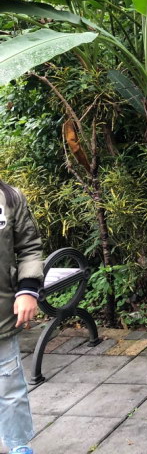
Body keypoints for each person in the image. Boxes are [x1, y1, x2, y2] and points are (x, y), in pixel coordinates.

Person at [0, 181, 43, 454]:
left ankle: (18, 445)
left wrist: (27, 289)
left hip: (2, 314)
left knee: (9, 385)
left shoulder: (9, 198)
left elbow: (29, 247)